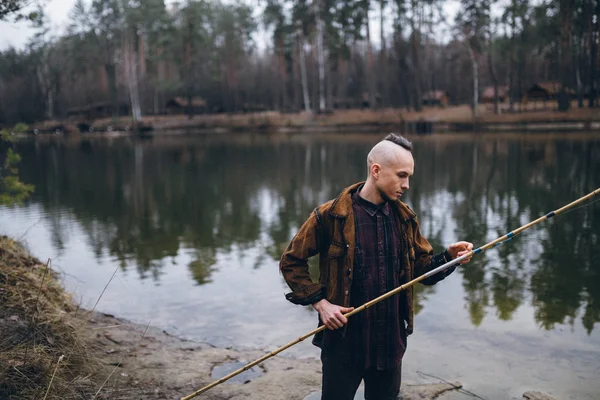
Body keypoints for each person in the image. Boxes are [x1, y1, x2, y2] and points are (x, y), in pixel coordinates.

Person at [279, 133, 473, 400]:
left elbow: (422, 271)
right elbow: (291, 261)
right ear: (376, 170)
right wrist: (322, 305)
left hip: (390, 346)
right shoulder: (330, 216)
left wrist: (449, 258)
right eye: (401, 175)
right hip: (343, 346)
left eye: (409, 177)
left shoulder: (405, 219)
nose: (406, 185)